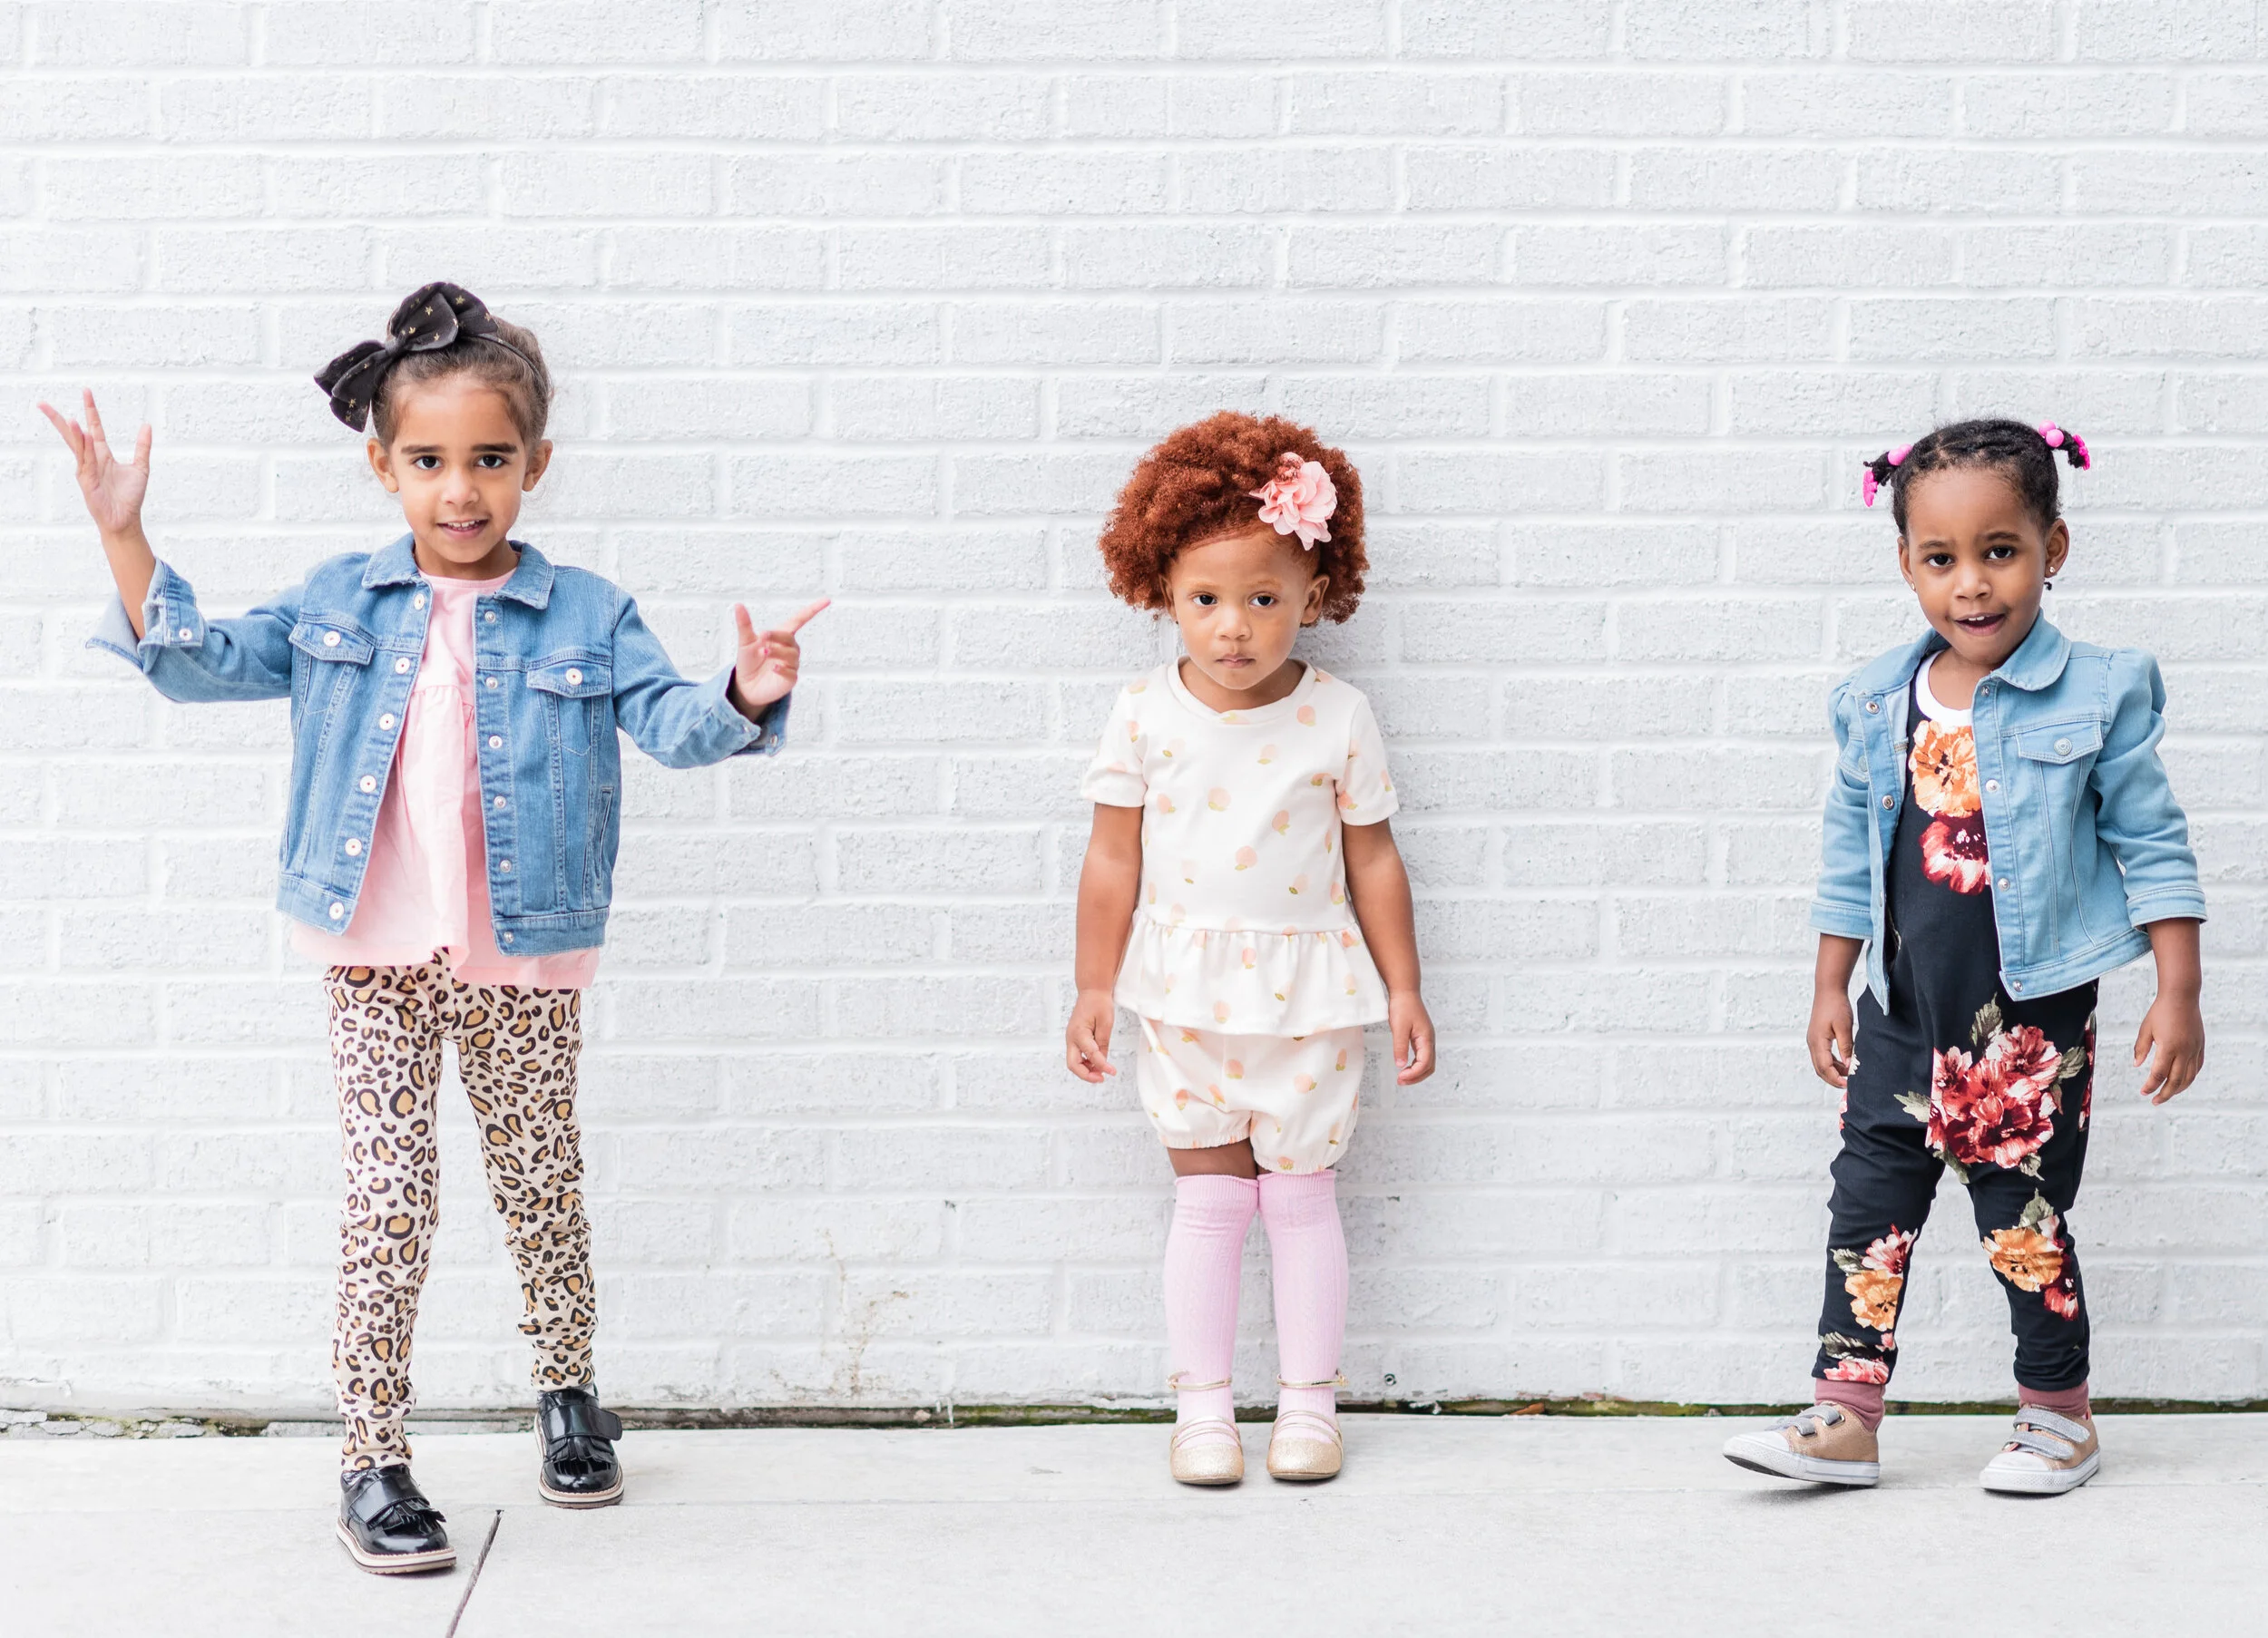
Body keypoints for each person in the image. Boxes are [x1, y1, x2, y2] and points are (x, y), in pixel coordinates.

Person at [48, 281, 826, 1574]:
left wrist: (746, 687)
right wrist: (127, 538)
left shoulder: (587, 611)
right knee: (391, 1199)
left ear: (536, 464)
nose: (459, 489)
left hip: (523, 955)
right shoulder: (339, 601)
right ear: (381, 464)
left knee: (538, 1182)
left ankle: (570, 1392)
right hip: (374, 959)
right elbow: (201, 660)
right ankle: (372, 1456)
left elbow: (680, 725)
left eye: (489, 460)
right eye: (427, 460)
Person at [1722, 419, 2205, 1497]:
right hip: (1900, 1011)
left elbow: (2154, 843)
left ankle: (2055, 1418)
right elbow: (1851, 855)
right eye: (1940, 559)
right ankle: (1845, 1413)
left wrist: (2178, 989)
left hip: (2025, 1023)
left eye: (2001, 551)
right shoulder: (1874, 702)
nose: (1971, 585)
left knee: (2018, 1220)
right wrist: (1826, 983)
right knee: (1865, 1209)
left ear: (2054, 549)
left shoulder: (2099, 693)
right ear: (1906, 564)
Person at [1067, 412, 1435, 1486]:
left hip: (1310, 997)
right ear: (1161, 596)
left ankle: (1311, 1406)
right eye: (1206, 601)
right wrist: (1095, 982)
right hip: (1180, 994)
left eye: (1264, 599)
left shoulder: (1339, 717)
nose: (1234, 628)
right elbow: (1109, 861)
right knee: (1210, 1200)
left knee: (1302, 1196)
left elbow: (1373, 860)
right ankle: (1205, 1410)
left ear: (1314, 597)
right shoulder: (1143, 713)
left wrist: (1403, 986)